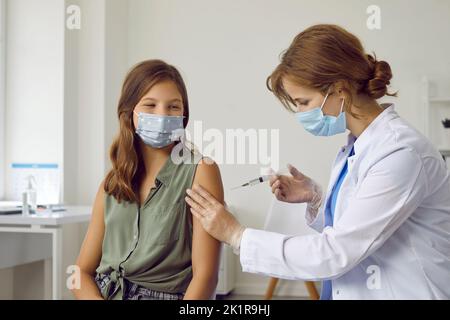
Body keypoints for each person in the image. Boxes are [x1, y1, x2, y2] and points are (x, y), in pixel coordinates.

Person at [185, 25, 450, 299]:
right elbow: (360, 226)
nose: (300, 113)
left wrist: (236, 234)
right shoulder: (358, 147)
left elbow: (335, 253)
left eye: (303, 101)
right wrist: (316, 199)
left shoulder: (400, 153)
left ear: (339, 90)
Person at [72, 60, 223, 300]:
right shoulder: (112, 183)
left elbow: (206, 277)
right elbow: (80, 273)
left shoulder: (201, 170)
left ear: (184, 115)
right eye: (150, 105)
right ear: (129, 113)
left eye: (173, 107)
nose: (162, 115)